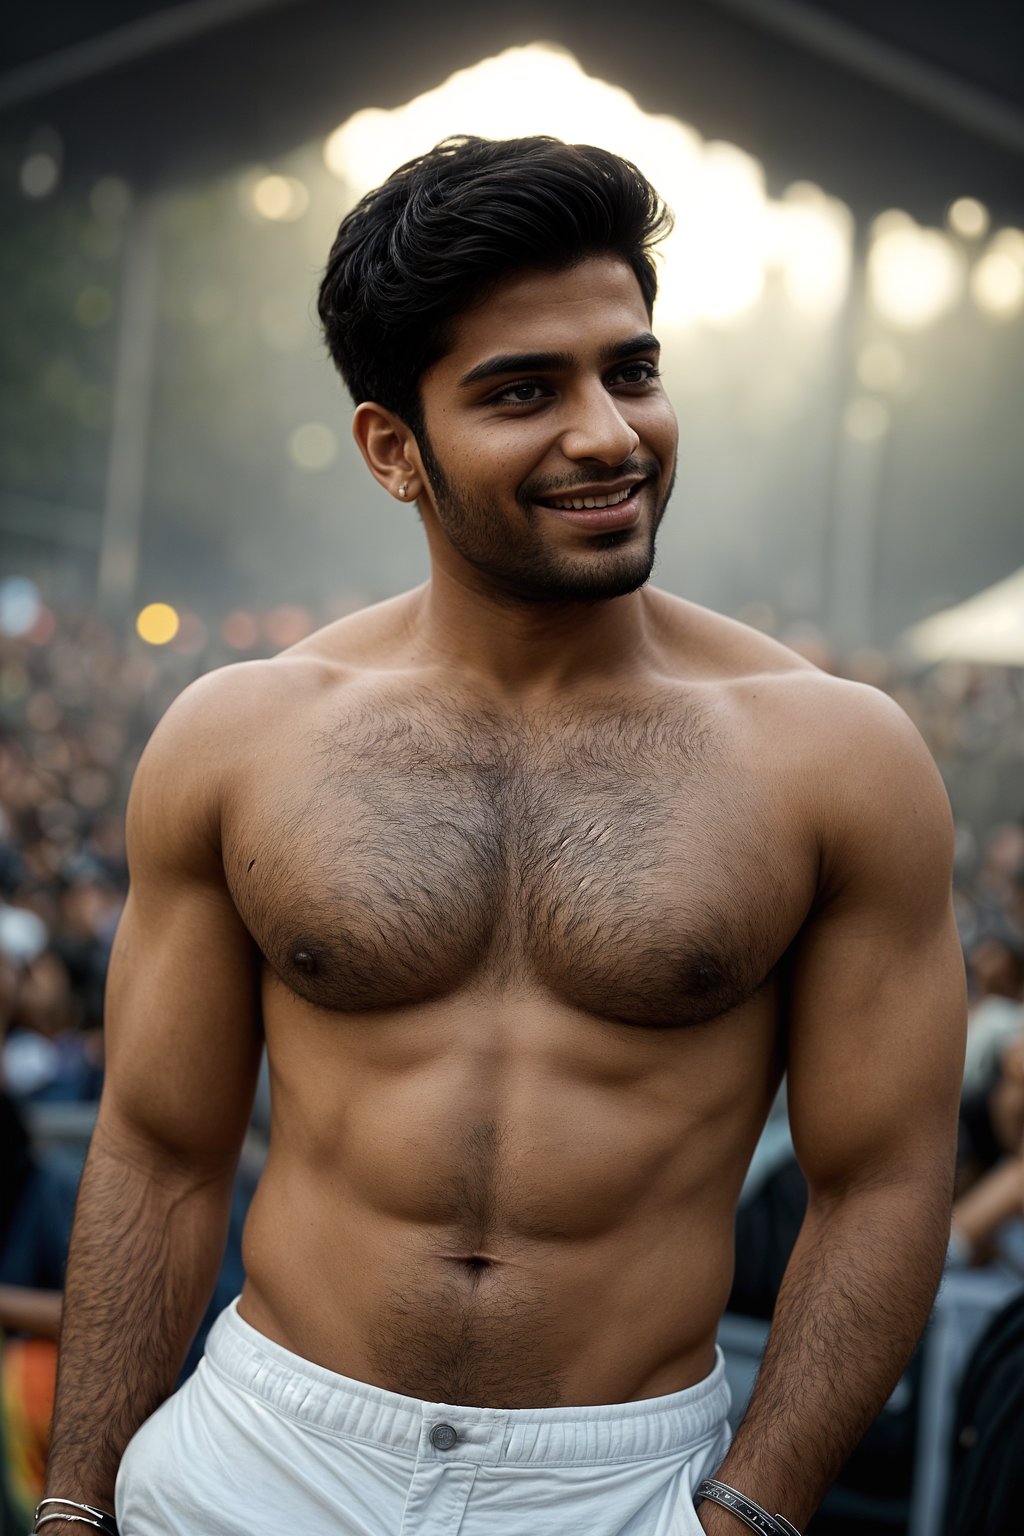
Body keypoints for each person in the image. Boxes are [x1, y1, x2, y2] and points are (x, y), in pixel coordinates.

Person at [42, 136, 966, 1536]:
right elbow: (160, 1152)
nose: (608, 431)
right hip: (258, 1455)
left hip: (626, 1483)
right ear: (392, 449)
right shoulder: (240, 736)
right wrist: (73, 1505)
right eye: (524, 391)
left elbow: (884, 1182)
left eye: (632, 369)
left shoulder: (834, 753)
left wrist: (747, 1514)